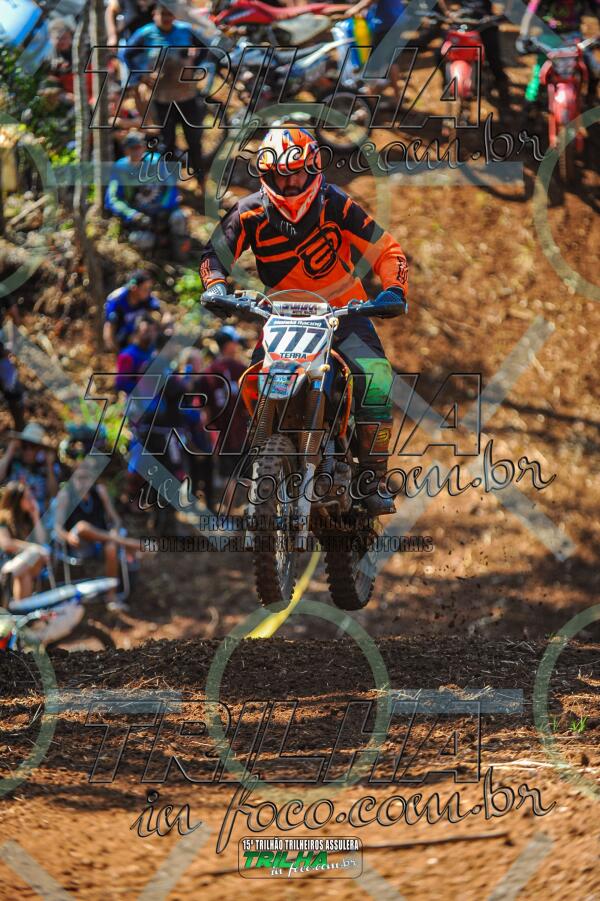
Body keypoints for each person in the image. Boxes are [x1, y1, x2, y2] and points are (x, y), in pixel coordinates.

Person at [199, 127, 408, 515]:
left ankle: (373, 476)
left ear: (312, 168)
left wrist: (394, 289)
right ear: (266, 176)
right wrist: (215, 286)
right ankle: (265, 455)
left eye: (296, 173)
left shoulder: (335, 203)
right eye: (280, 176)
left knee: (376, 375)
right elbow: (214, 254)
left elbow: (387, 250)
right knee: (253, 381)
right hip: (282, 317)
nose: (290, 183)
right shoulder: (249, 212)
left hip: (342, 313)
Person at [122, 3, 210, 183]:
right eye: (163, 14)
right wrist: (141, 75)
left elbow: (205, 47)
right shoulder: (146, 33)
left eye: (170, 14)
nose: (166, 18)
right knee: (167, 141)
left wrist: (194, 67)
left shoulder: (185, 30)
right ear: (154, 14)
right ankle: (171, 184)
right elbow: (126, 54)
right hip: (161, 98)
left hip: (187, 95)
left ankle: (200, 179)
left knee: (194, 139)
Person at [53, 461, 141, 610]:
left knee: (111, 547)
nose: (83, 481)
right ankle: (128, 543)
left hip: (101, 542)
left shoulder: (99, 492)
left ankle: (111, 597)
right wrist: (68, 537)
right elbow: (57, 527)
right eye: (79, 477)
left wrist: (115, 529)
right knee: (81, 526)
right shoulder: (66, 495)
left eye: (87, 477)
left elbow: (116, 520)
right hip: (79, 545)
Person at [105, 131, 190, 260]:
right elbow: (112, 199)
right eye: (132, 148)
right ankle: (159, 255)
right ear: (126, 150)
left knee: (179, 218)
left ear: (144, 147)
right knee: (143, 240)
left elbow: (171, 186)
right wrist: (133, 215)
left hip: (163, 212)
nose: (136, 151)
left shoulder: (156, 161)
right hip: (142, 218)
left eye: (138, 147)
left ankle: (182, 257)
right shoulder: (120, 168)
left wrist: (165, 208)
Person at [516, 0, 600, 110]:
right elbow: (530, 13)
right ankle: (530, 107)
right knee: (540, 75)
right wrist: (524, 37)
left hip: (574, 37)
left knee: (594, 69)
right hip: (548, 37)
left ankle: (590, 97)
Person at [436, 0, 510, 105]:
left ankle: (502, 88)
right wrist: (447, 12)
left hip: (485, 23)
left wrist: (502, 13)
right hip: (461, 21)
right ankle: (446, 83)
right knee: (441, 53)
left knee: (493, 58)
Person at [0, 482, 51, 601]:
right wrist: (33, 548)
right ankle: (8, 580)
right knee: (34, 554)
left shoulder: (27, 518)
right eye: (28, 497)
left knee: (28, 569)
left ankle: (20, 608)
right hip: (6, 564)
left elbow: (42, 542)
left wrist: (35, 516)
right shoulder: (2, 518)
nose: (32, 500)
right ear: (17, 500)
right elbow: (6, 544)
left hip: (23, 567)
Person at [0, 423, 60, 511]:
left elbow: (54, 494)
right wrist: (10, 450)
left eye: (33, 446)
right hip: (11, 511)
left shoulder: (48, 467)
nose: (28, 450)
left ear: (40, 448)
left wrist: (49, 465)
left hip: (35, 514)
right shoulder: (13, 461)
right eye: (24, 445)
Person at [104, 269, 162, 351]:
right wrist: (113, 347)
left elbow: (160, 311)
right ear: (134, 288)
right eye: (145, 289)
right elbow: (109, 326)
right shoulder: (117, 300)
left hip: (136, 333)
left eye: (149, 288)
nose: (148, 292)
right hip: (121, 338)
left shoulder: (147, 298)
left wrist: (163, 322)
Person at [0, 296, 25, 432]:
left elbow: (15, 316)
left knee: (15, 394)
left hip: (2, 357)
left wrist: (11, 345)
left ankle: (20, 432)